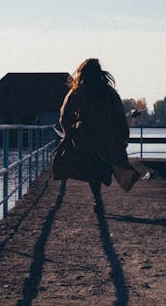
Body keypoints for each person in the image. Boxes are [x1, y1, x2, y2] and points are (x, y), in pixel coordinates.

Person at [52, 58, 141, 214]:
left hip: (84, 136)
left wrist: (69, 133)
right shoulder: (108, 92)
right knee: (103, 163)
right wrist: (123, 137)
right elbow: (119, 116)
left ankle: (97, 197)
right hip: (107, 135)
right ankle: (105, 173)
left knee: (90, 167)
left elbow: (64, 115)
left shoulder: (77, 91)